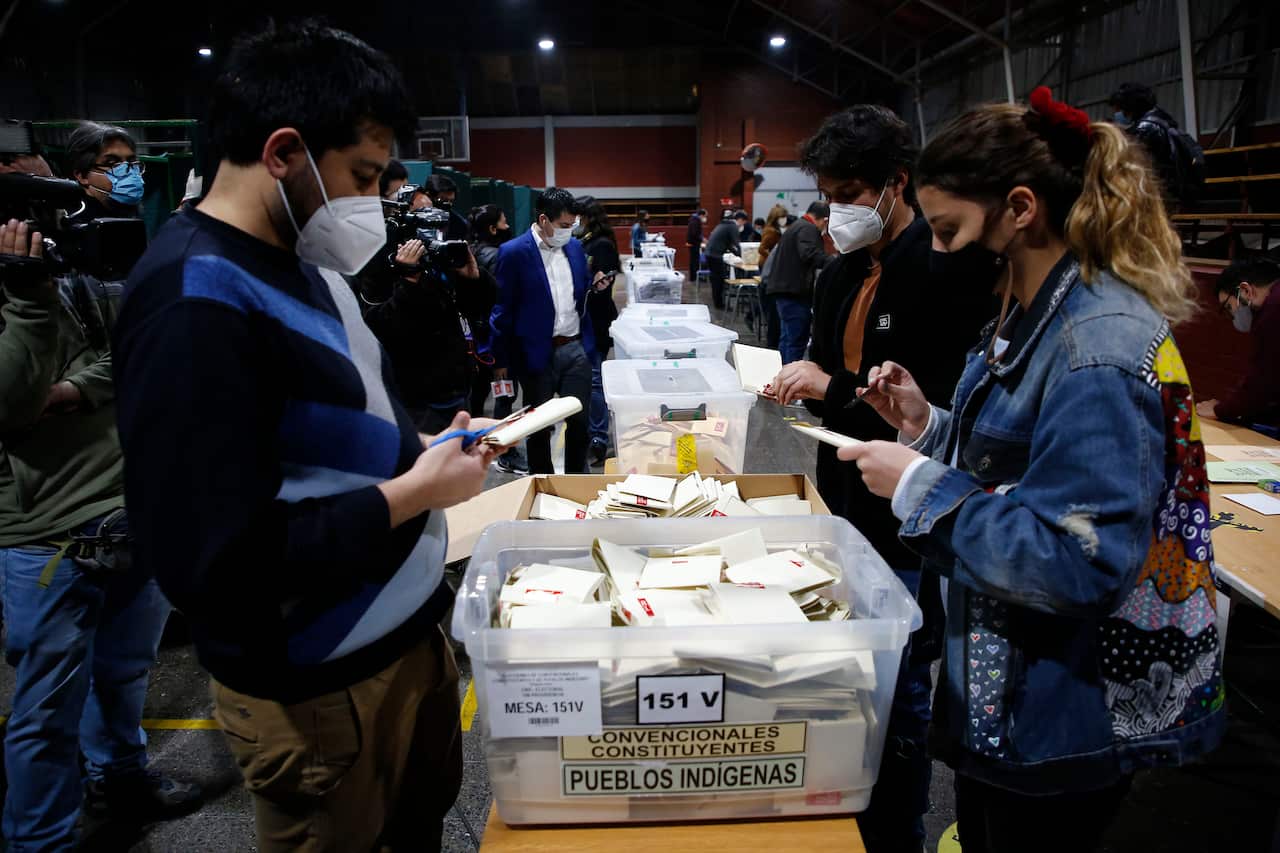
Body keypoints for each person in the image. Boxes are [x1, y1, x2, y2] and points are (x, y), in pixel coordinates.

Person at [113, 21, 499, 851]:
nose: (370, 202)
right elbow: (212, 559)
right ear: (283, 151)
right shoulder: (192, 302)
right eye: (361, 175)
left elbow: (325, 428)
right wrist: (414, 492)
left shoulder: (306, 261)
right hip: (318, 687)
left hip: (403, 641)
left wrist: (422, 445)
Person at [840, 87, 1225, 853]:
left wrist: (920, 489)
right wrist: (927, 426)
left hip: (1062, 720)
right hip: (1007, 698)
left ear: (1020, 209)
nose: (938, 251)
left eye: (948, 230)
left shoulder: (1097, 347)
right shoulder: (1028, 310)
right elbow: (1018, 465)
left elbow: (1078, 560)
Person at [771, 104, 992, 853]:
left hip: (909, 519)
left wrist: (830, 387)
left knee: (899, 691)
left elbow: (925, 409)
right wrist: (810, 382)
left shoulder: (943, 268)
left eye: (849, 193)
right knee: (849, 683)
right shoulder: (839, 271)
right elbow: (828, 363)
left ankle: (896, 831)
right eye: (827, 193)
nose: (836, 209)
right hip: (843, 502)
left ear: (897, 186)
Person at [1, 166, 200, 849]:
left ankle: (119, 771)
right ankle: (40, 839)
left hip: (129, 508)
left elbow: (136, 352)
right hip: (46, 532)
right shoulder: (22, 290)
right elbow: (9, 400)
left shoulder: (80, 276)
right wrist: (25, 299)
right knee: (45, 708)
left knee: (123, 671)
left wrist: (72, 389)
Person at [490, 186, 596, 474]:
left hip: (575, 348)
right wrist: (500, 359)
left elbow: (580, 293)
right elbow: (503, 310)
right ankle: (542, 482)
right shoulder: (513, 253)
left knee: (579, 422)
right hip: (536, 353)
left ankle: (576, 481)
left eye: (572, 225)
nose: (569, 231)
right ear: (543, 219)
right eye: (563, 225)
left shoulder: (574, 248)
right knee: (538, 426)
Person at [358, 234, 497, 435]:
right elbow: (380, 326)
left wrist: (473, 279)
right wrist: (409, 280)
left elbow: (476, 311)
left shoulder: (437, 265)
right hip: (414, 401)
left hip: (457, 391)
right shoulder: (379, 265)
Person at [469, 205, 528, 474]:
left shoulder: (473, 252)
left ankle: (477, 445)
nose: (508, 226)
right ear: (493, 229)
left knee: (481, 396)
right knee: (504, 396)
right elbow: (500, 305)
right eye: (504, 221)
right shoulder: (495, 257)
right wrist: (500, 352)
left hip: (481, 340)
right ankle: (505, 452)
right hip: (495, 342)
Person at [1197, 256, 1280, 428]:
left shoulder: (1273, 310)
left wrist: (1220, 410)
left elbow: (1262, 384)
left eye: (1228, 307)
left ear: (1246, 291)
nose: (1232, 316)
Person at [1108, 81, 1204, 206]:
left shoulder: (1146, 128)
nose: (1117, 114)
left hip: (1160, 192)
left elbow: (1135, 164)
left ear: (1129, 106)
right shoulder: (1161, 121)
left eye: (1118, 109)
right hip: (1174, 187)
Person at [577, 197, 621, 467]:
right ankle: (592, 434)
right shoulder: (585, 242)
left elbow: (602, 283)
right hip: (586, 320)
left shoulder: (600, 244)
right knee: (589, 378)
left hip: (596, 321)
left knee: (595, 380)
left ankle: (598, 439)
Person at [767, 200, 831, 364]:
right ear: (825, 220)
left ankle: (782, 376)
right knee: (796, 341)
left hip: (784, 290)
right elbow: (809, 254)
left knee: (787, 338)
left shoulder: (797, 226)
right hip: (793, 293)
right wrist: (835, 262)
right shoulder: (808, 228)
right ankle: (790, 382)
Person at [66, 121, 145, 223]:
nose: (128, 172)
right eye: (112, 163)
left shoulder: (128, 217)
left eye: (131, 162)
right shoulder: (76, 223)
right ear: (82, 176)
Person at [757, 203, 791, 349]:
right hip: (768, 267)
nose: (784, 220)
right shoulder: (771, 231)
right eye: (782, 217)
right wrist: (774, 257)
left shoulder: (775, 230)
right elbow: (762, 248)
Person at [705, 211, 745, 309]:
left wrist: (738, 254)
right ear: (740, 220)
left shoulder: (724, 224)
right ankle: (720, 304)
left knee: (716, 279)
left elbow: (728, 244)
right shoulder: (732, 226)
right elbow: (736, 243)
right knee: (719, 280)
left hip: (710, 254)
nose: (743, 225)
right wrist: (743, 255)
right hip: (715, 255)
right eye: (743, 222)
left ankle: (718, 302)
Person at [425, 173, 469, 240]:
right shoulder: (414, 219)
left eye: (451, 201)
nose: (448, 204)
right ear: (429, 196)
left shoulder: (459, 224)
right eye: (443, 200)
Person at [685, 207, 707, 282]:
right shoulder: (695, 221)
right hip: (693, 243)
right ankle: (694, 277)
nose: (705, 218)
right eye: (705, 216)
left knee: (694, 260)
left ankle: (694, 277)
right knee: (694, 261)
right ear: (701, 215)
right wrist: (702, 239)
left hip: (693, 243)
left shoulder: (694, 220)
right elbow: (695, 233)